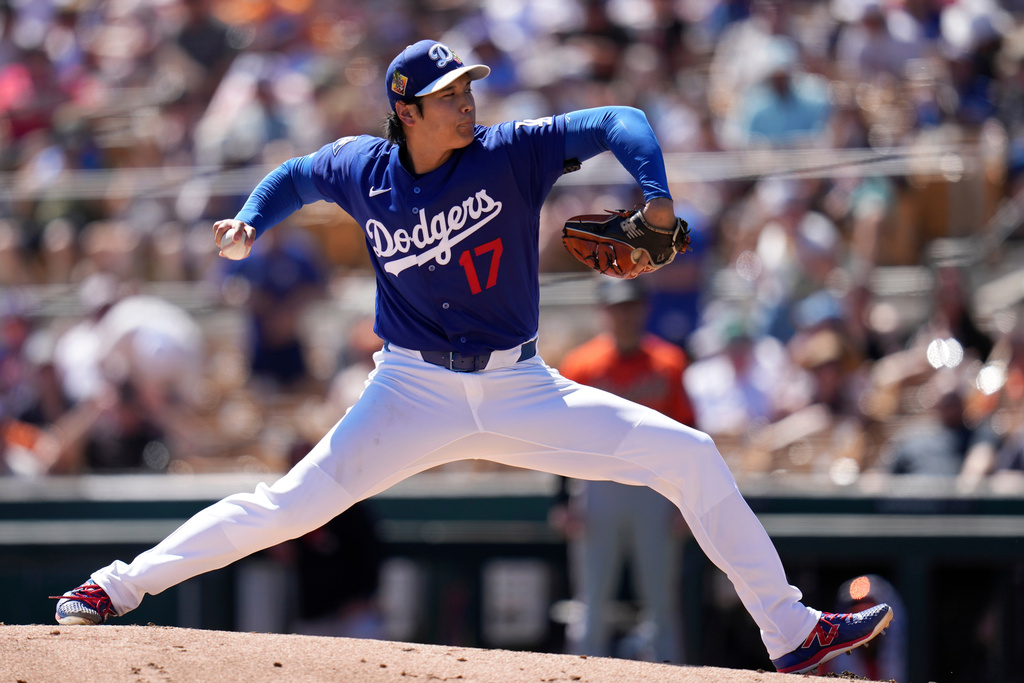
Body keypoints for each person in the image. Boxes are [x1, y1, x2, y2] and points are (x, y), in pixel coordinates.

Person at [50, 39, 892, 675]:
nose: (468, 104)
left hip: (521, 385)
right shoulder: (365, 168)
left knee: (691, 455)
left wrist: (658, 195)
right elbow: (297, 172)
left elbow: (618, 121)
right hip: (409, 389)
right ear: (407, 109)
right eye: (451, 95)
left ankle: (790, 631)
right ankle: (114, 587)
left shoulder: (509, 154)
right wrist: (250, 219)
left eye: (469, 89)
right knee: (286, 504)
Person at [556, 277, 691, 663]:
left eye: (630, 306)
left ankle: (669, 670)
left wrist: (686, 499)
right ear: (604, 312)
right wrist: (562, 498)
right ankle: (582, 669)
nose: (625, 315)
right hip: (598, 485)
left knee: (661, 598)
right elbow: (561, 437)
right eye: (617, 307)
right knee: (592, 596)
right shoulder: (581, 364)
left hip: (655, 486)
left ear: (644, 309)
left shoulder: (668, 363)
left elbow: (687, 436)